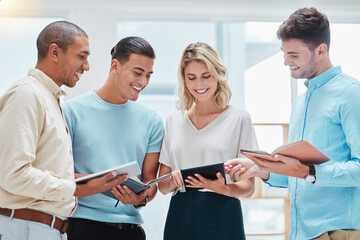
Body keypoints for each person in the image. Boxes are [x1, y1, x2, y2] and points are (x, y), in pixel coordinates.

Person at [225, 7, 360, 240]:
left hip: (337, 231)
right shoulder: (300, 104)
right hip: (301, 232)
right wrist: (262, 170)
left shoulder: (351, 95)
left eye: (294, 55)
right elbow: (299, 177)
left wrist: (310, 171)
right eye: (284, 53)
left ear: (321, 50)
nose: (286, 62)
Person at [0, 21, 127, 240]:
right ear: (55, 52)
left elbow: (44, 169)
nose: (86, 66)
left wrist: (88, 181)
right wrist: (75, 189)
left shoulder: (51, 99)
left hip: (47, 228)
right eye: (81, 56)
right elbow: (13, 175)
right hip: (26, 228)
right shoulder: (27, 95)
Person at [62, 36, 164, 240]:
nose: (143, 82)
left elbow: (150, 181)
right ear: (115, 65)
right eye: (137, 72)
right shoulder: (71, 111)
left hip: (130, 231)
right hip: (82, 228)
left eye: (148, 75)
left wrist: (141, 198)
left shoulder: (152, 121)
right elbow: (59, 174)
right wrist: (104, 182)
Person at [157, 42, 258, 240]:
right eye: (191, 78)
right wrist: (172, 182)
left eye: (206, 76)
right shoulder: (173, 120)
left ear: (218, 75)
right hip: (180, 213)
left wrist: (222, 188)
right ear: (184, 80)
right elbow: (162, 186)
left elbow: (249, 188)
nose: (199, 85)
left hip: (223, 211)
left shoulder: (239, 118)